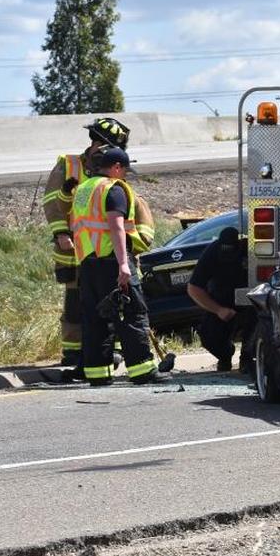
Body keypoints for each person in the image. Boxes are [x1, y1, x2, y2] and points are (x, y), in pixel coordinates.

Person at [43, 117, 135, 365]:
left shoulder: (112, 169)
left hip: (102, 251)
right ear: (95, 142)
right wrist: (61, 233)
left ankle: (107, 351)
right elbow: (52, 202)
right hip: (72, 249)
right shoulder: (69, 165)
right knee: (75, 302)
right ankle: (73, 352)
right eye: (105, 146)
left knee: (109, 301)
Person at [70, 147, 165, 386]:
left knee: (95, 318)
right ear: (115, 168)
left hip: (88, 263)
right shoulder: (113, 189)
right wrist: (124, 264)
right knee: (132, 314)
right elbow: (116, 227)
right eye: (124, 171)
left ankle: (98, 373)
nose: (124, 176)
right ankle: (142, 370)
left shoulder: (83, 189)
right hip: (112, 260)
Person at [186, 226, 256, 373]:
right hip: (221, 302)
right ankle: (225, 356)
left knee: (256, 322)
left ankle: (247, 360)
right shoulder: (212, 252)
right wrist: (218, 310)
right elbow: (193, 288)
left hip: (250, 303)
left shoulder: (249, 250)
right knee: (209, 336)